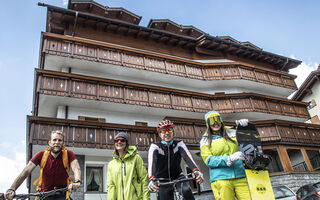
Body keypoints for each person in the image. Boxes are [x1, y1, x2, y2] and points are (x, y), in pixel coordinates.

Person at [5, 130, 81, 200]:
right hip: (44, 195)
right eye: (54, 140)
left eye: (60, 140)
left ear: (63, 143)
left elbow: (76, 167)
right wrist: (12, 188)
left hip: (62, 195)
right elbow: (26, 171)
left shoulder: (69, 154)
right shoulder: (41, 155)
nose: (57, 142)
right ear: (50, 142)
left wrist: (77, 181)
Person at [200, 110, 250, 200]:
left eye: (217, 119)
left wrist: (244, 129)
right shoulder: (205, 140)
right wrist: (228, 159)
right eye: (211, 120)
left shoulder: (233, 132)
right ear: (207, 124)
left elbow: (248, 144)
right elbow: (209, 160)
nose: (215, 123)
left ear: (221, 121)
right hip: (221, 179)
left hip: (240, 176)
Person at [148, 119, 204, 200]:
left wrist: (196, 170)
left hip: (178, 176)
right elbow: (152, 162)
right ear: (160, 134)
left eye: (169, 130)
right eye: (163, 131)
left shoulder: (179, 144)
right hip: (162, 179)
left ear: (173, 132)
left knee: (186, 191)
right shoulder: (155, 146)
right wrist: (152, 178)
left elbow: (187, 157)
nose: (167, 133)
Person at [107, 132, 150, 200]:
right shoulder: (111, 164)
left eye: (122, 140)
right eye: (116, 140)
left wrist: (146, 199)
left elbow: (144, 180)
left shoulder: (136, 158)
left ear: (127, 143)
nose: (119, 142)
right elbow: (110, 186)